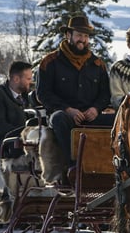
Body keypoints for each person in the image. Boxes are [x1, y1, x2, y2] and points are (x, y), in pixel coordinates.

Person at [36, 15, 113, 165]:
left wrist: (96, 109)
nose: (82, 39)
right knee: (58, 119)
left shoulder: (98, 64)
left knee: (117, 120)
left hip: (90, 116)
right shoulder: (50, 62)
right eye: (79, 35)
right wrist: (67, 109)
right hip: (64, 116)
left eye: (86, 36)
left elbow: (105, 94)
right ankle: (74, 166)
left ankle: (110, 168)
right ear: (68, 35)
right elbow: (43, 94)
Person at [0, 61, 34, 158]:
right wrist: (26, 133)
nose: (31, 82)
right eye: (28, 79)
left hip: (20, 139)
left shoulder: (26, 96)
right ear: (16, 79)